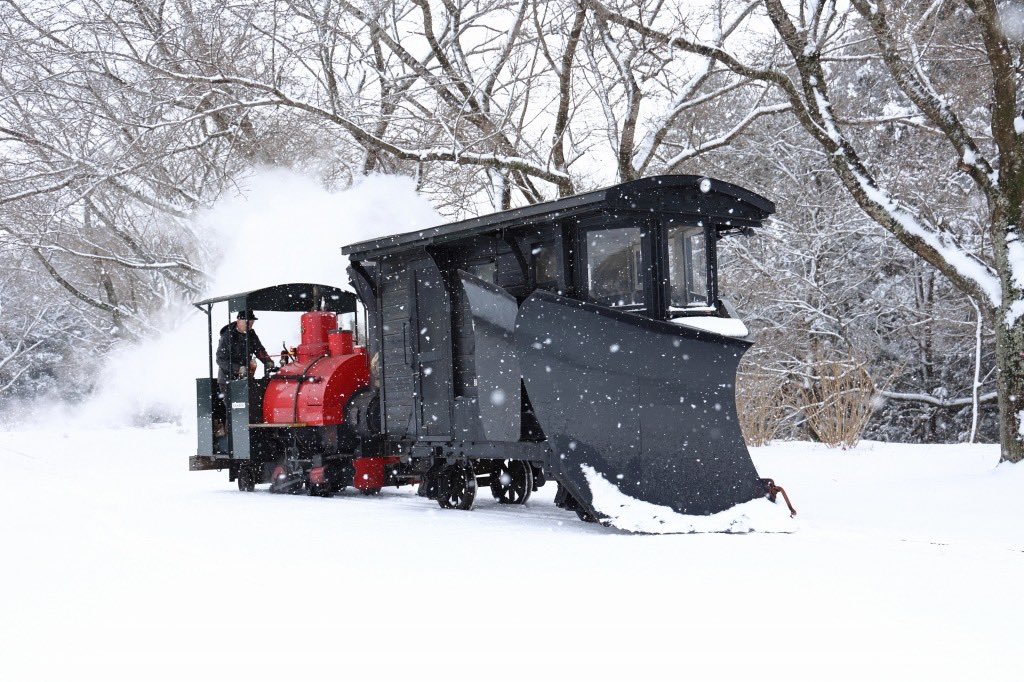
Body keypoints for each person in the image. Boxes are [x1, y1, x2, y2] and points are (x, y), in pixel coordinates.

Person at [213, 310, 275, 436]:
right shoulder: (227, 336)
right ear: (238, 321)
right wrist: (237, 369)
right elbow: (220, 359)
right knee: (233, 407)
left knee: (250, 405)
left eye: (252, 322)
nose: (250, 324)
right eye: (248, 322)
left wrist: (268, 361)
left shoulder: (251, 334)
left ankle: (250, 434)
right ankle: (231, 437)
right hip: (227, 379)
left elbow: (259, 350)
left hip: (245, 378)